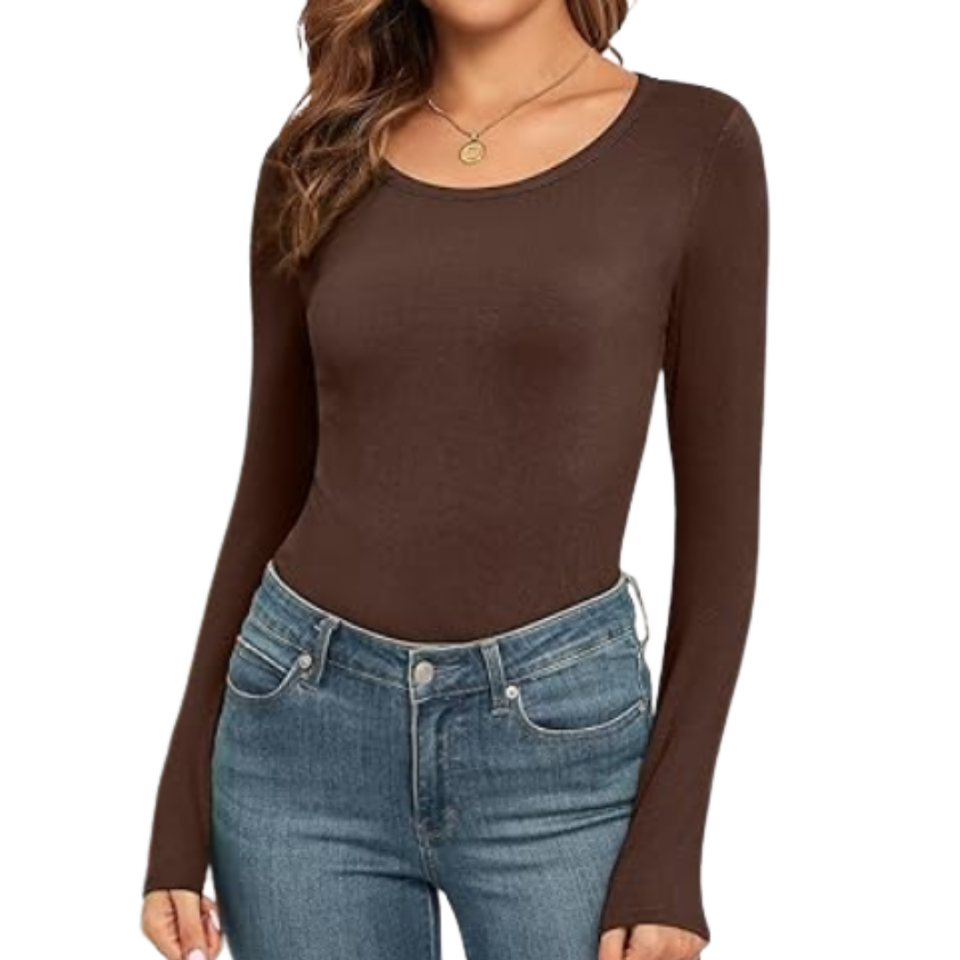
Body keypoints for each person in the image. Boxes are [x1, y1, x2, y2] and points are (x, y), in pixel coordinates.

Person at [140, 1, 768, 959]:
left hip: (562, 751)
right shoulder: (316, 158)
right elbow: (267, 488)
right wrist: (179, 805)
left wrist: (670, 851)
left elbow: (722, 538)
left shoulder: (694, 144)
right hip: (298, 741)